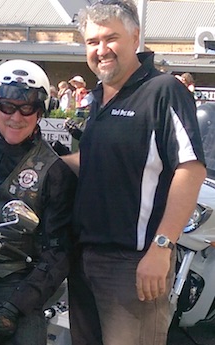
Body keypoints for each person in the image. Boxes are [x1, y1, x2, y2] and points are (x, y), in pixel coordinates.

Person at [62, 1, 207, 345]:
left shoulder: (162, 91)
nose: (101, 50)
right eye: (92, 42)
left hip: (134, 266)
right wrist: (39, 162)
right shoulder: (100, 98)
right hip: (85, 260)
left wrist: (161, 247)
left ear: (136, 37)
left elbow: (191, 168)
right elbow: (99, 163)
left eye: (111, 38)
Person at [0, 59, 77, 344]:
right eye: (7, 107)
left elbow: (58, 252)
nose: (16, 117)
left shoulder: (54, 170)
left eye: (27, 108)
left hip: (9, 281)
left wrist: (16, 306)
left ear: (39, 113)